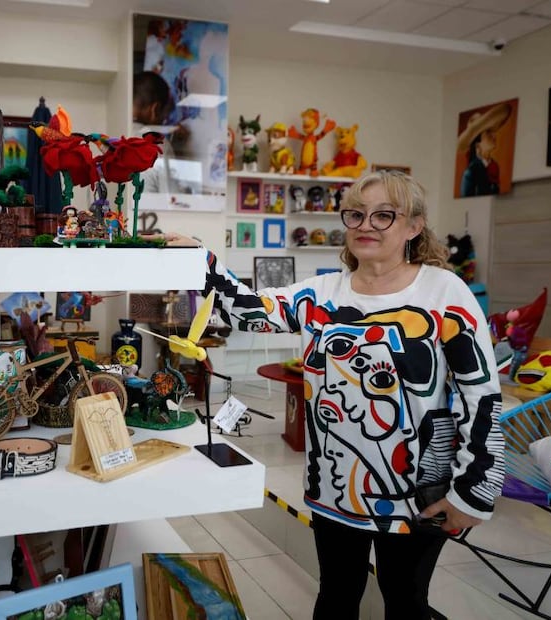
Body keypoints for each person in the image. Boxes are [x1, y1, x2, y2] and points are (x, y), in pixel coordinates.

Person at [202, 171, 504, 619]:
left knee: (405, 601)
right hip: (334, 491)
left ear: (414, 227)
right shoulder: (322, 293)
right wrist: (195, 257)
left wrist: (474, 491)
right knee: (336, 596)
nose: (366, 225)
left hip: (418, 496)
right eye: (356, 214)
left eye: (384, 215)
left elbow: (481, 396)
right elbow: (246, 310)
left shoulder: (444, 292)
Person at [458, 102, 511, 197]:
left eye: (492, 132)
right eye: (488, 134)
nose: (493, 136)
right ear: (478, 145)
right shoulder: (470, 172)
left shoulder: (494, 166)